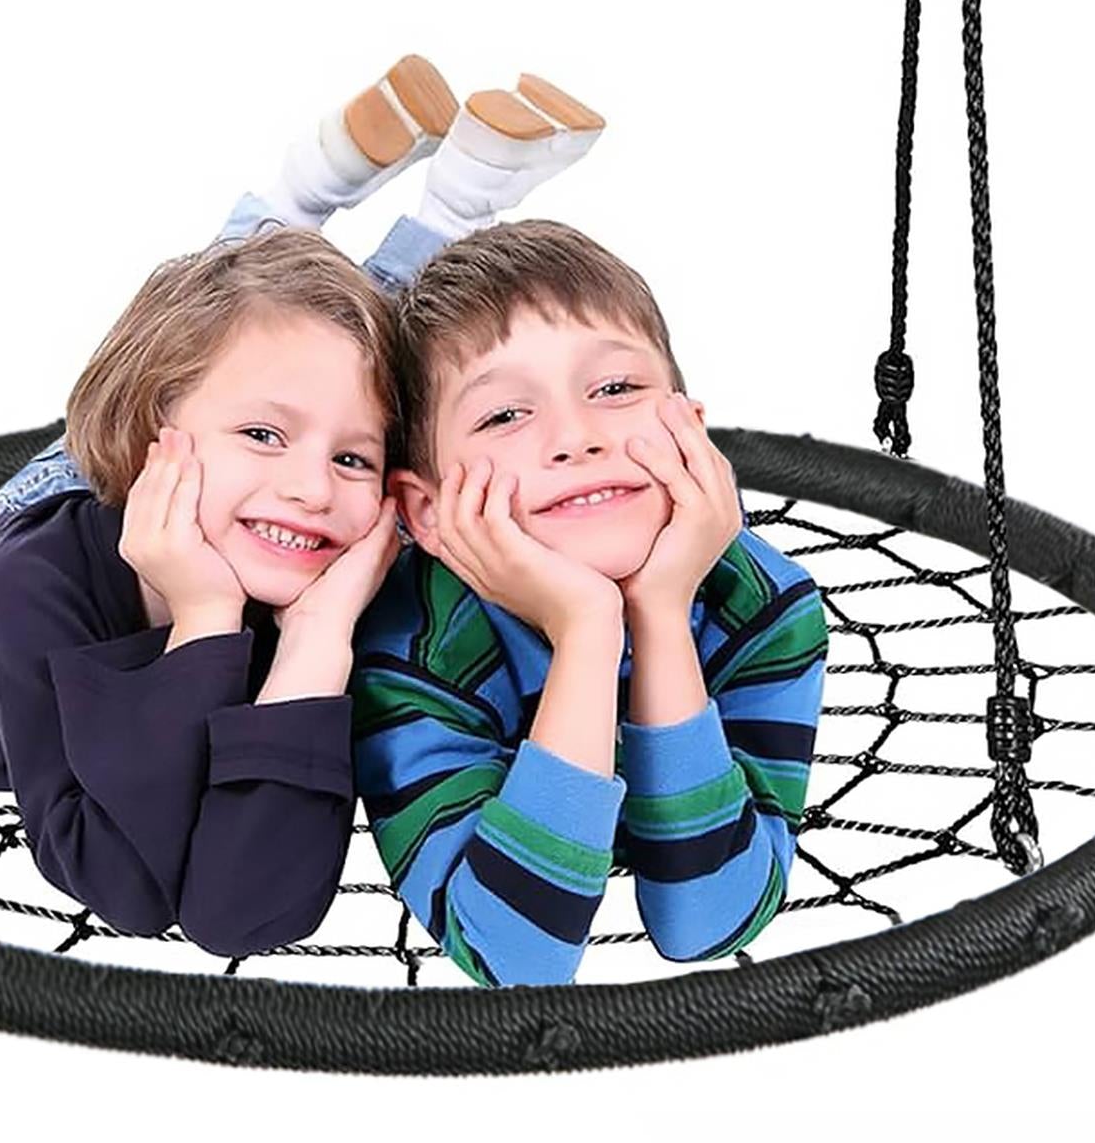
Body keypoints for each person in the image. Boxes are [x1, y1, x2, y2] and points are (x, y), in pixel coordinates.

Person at [0, 57, 605, 959]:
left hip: (205, 484)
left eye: (357, 457)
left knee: (299, 352)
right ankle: (400, 199)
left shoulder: (322, 571)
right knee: (222, 341)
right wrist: (204, 616)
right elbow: (126, 884)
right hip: (67, 495)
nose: (317, 486)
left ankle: (363, 190)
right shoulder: (26, 590)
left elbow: (245, 913)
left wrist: (317, 640)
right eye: (269, 440)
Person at [352, 219, 828, 987]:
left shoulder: (765, 608)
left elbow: (708, 922)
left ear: (690, 430)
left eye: (616, 389)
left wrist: (661, 616)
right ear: (428, 512)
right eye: (505, 414)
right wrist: (586, 630)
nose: (576, 437)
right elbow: (516, 957)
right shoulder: (412, 651)